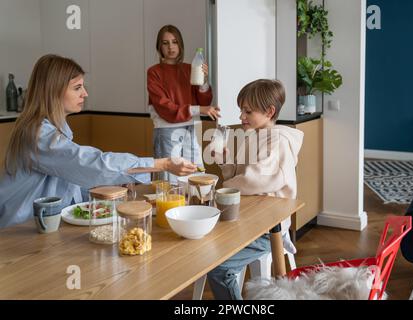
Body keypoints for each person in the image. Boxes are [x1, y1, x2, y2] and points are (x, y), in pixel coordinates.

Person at [0, 54, 197, 228]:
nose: (84, 93)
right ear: (53, 91)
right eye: (77, 88)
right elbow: (89, 163)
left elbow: (72, 180)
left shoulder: (57, 130)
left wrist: (114, 181)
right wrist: (162, 164)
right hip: (17, 234)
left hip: (43, 227)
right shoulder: (37, 134)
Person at [206, 79, 304, 300]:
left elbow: (256, 180)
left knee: (219, 268)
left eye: (247, 111)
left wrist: (225, 188)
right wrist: (225, 160)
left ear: (269, 112)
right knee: (206, 248)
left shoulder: (278, 141)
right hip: (249, 220)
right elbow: (241, 178)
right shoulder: (254, 137)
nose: (241, 117)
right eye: (241, 110)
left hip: (268, 229)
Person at [147, 24, 220, 183]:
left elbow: (204, 101)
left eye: (174, 42)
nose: (171, 47)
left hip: (192, 127)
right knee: (168, 180)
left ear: (180, 44)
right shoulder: (154, 72)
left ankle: (195, 207)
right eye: (165, 43)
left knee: (194, 173)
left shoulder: (190, 69)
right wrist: (199, 109)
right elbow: (165, 107)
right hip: (167, 129)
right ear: (159, 46)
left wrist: (203, 81)